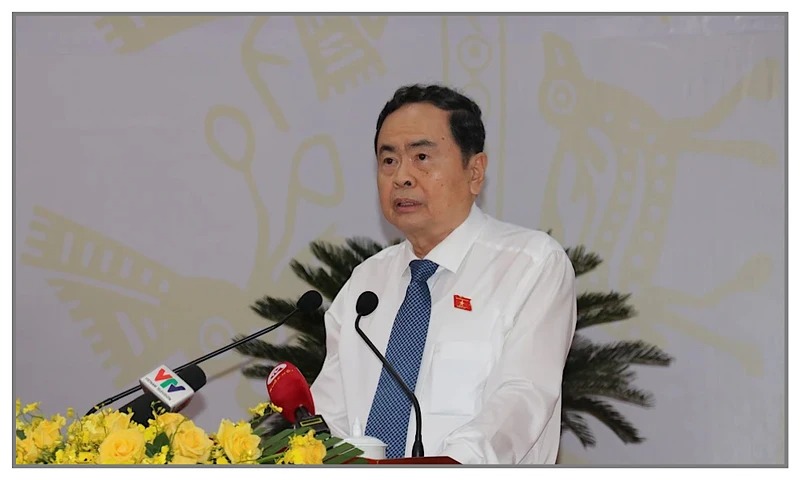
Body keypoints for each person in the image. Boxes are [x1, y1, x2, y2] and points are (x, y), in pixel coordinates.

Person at [309, 84, 577, 464]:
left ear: (475, 172)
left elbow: (521, 399)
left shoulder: (529, 265)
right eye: (389, 161)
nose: (402, 176)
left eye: (421, 157)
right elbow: (330, 413)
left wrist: (448, 467)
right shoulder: (366, 283)